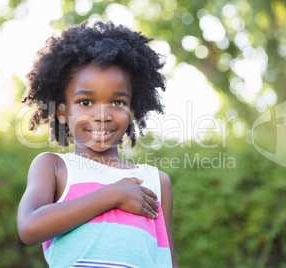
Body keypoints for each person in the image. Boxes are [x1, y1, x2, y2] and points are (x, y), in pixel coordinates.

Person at [17, 21, 178, 268]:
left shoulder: (156, 182)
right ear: (62, 112)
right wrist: (112, 195)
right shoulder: (55, 167)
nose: (102, 115)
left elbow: (165, 259)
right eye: (85, 102)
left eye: (117, 103)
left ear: (132, 110)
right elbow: (29, 228)